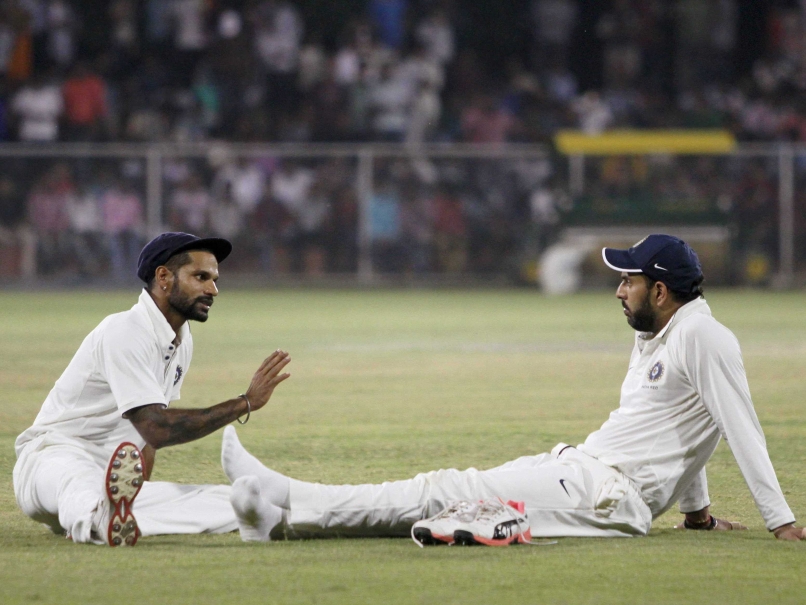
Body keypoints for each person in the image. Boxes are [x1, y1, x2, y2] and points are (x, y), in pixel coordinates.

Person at [221, 234, 806, 542]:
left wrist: (779, 520)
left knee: (443, 490)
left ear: (660, 290)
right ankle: (286, 516)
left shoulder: (705, 337)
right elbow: (682, 425)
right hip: (583, 471)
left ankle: (291, 499)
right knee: (446, 496)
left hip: (604, 491)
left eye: (628, 279)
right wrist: (697, 515)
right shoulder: (662, 332)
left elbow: (738, 426)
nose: (618, 290)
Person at [13, 232, 291, 546]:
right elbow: (156, 427)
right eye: (201, 277)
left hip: (111, 479)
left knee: (232, 499)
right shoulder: (124, 331)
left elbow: (147, 442)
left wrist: (136, 496)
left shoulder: (181, 340)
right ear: (163, 277)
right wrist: (245, 403)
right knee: (77, 483)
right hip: (51, 460)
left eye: (214, 279)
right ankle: (96, 516)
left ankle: (117, 514)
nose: (213, 289)